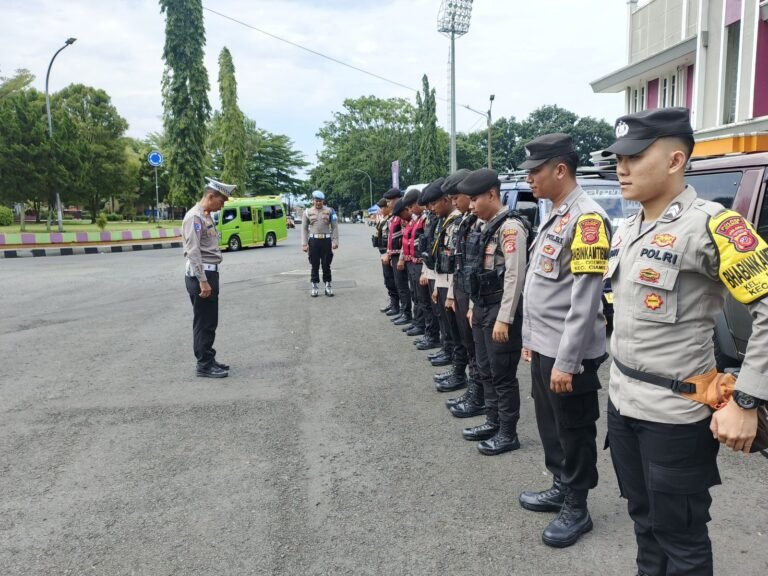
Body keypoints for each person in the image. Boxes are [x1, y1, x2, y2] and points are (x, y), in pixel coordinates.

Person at [603, 107, 768, 575]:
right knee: (643, 522)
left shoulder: (713, 226)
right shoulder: (627, 228)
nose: (622, 167)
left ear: (675, 161)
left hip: (674, 417)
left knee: (681, 538)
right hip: (622, 405)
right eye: (619, 157)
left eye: (635, 155)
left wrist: (748, 399)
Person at [518, 133, 610, 548]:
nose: (529, 179)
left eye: (535, 171)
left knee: (574, 428)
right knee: (550, 423)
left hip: (567, 352)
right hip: (544, 345)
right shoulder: (554, 213)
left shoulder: (588, 220)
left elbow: (586, 300)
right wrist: (531, 340)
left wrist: (567, 361)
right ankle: (560, 485)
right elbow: (541, 288)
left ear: (559, 170)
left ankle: (578, 505)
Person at [456, 168, 528, 456]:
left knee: (502, 375)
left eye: (474, 199)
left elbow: (514, 277)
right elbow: (475, 270)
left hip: (500, 309)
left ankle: (508, 433)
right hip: (483, 306)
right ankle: (492, 421)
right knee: (484, 369)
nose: (471, 206)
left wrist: (505, 318)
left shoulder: (511, 228)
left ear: (492, 194)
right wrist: (473, 306)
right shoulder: (485, 227)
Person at [182, 177, 234, 378]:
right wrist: (203, 280)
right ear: (211, 196)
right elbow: (193, 252)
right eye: (222, 201)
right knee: (204, 321)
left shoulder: (205, 215)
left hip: (209, 272)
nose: (222, 205)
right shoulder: (194, 218)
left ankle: (209, 358)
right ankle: (203, 364)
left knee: (210, 320)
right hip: (201, 275)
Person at [383, 187, 412, 326]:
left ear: (397, 199)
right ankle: (400, 309)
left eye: (389, 201)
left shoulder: (402, 216)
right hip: (393, 255)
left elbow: (406, 238)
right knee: (396, 283)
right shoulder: (394, 216)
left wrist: (401, 257)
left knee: (402, 285)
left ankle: (406, 313)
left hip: (400, 256)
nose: (387, 204)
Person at [302, 190, 339, 297]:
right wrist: (304, 244)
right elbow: (304, 229)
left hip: (326, 241)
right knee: (314, 264)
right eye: (316, 200)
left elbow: (335, 226)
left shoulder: (330, 211)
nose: (318, 203)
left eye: (320, 201)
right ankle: (314, 287)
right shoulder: (307, 212)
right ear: (313, 200)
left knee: (326, 264)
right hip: (313, 241)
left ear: (323, 201)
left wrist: (335, 241)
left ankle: (328, 286)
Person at [373, 198, 398, 314]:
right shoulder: (384, 219)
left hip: (388, 253)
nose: (381, 210)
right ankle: (393, 303)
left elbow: (390, 239)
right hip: (383, 252)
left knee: (392, 280)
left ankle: (397, 306)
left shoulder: (391, 219)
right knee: (388, 280)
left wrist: (388, 254)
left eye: (383, 208)